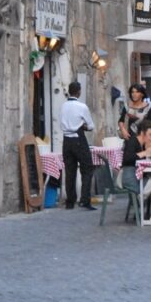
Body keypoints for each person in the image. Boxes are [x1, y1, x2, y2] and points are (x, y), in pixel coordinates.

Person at [60, 81, 96, 211]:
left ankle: (70, 201)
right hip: (78, 138)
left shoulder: (63, 106)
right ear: (79, 92)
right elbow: (91, 126)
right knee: (87, 169)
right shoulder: (82, 107)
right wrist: (83, 126)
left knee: (70, 171)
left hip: (66, 140)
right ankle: (84, 200)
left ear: (69, 91)